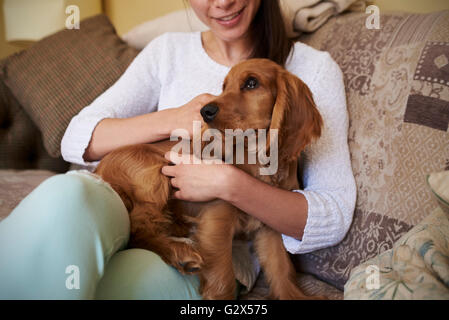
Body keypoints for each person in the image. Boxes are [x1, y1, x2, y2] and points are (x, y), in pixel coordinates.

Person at [0, 0, 356, 299]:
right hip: (116, 198)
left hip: (208, 249)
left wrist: (229, 184)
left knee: (119, 286)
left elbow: (334, 213)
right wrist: (173, 118)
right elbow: (75, 138)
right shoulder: (168, 50)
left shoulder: (312, 69)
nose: (222, 2)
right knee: (64, 196)